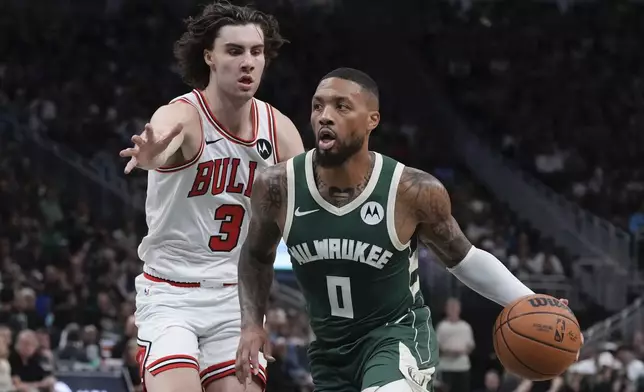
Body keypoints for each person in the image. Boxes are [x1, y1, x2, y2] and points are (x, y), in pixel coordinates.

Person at [234, 67, 579, 391]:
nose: (325, 115)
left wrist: (528, 300)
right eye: (318, 106)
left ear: (372, 120)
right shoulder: (277, 185)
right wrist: (252, 322)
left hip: (396, 337)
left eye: (341, 106)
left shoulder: (411, 190)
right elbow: (256, 256)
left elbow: (463, 258)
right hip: (329, 350)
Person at [119, 2, 304, 392]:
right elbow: (164, 139)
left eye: (256, 52)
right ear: (210, 57)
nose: (248, 62)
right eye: (234, 51)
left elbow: (304, 218)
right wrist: (154, 156)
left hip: (235, 300)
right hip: (171, 294)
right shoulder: (183, 116)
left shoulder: (280, 131)